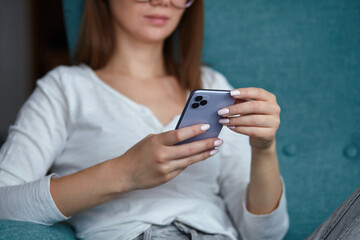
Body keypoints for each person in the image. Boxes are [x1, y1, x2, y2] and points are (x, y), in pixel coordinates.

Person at [0, 0, 289, 239]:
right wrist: (125, 173)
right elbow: (3, 204)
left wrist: (264, 150)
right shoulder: (65, 89)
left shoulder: (213, 84)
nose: (163, 1)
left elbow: (265, 235)